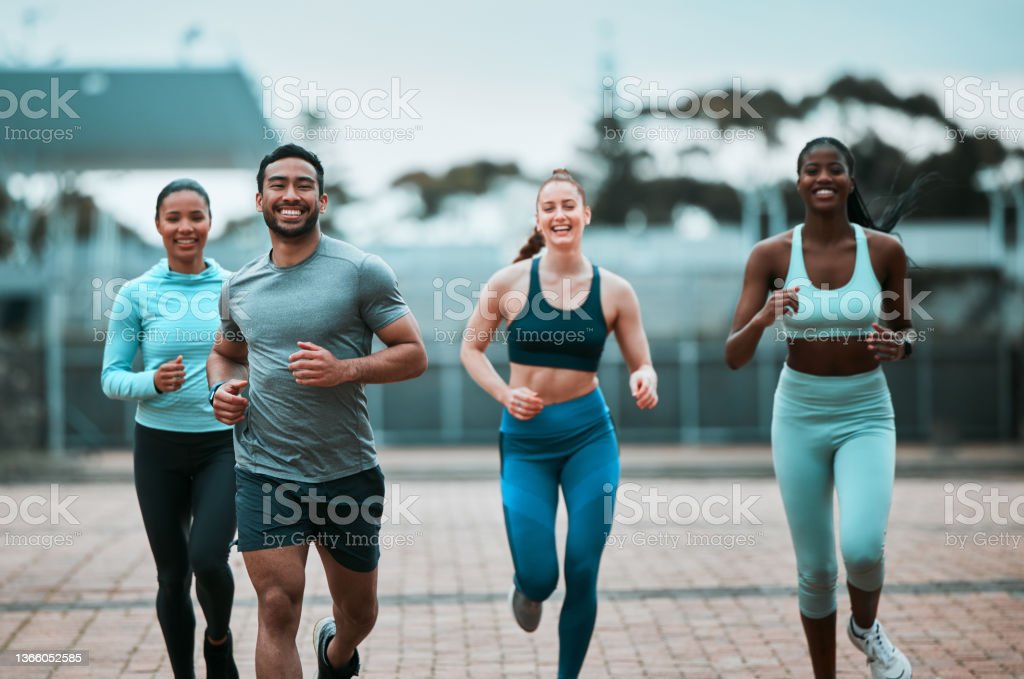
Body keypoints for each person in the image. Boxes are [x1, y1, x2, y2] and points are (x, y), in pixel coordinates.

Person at [207, 143, 427, 679]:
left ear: (321, 200)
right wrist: (220, 392)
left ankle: (338, 651)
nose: (291, 194)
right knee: (277, 606)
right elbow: (225, 353)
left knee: (358, 613)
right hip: (265, 472)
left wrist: (345, 370)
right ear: (260, 199)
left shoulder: (361, 271)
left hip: (346, 474)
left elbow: (413, 354)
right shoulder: (238, 286)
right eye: (278, 184)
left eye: (303, 185)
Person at [725, 137, 922, 679]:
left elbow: (906, 335)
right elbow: (733, 355)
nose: (823, 178)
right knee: (815, 570)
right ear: (799, 183)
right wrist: (765, 316)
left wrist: (898, 346)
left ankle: (867, 630)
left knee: (861, 549)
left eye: (835, 169)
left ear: (850, 182)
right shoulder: (768, 256)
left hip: (865, 413)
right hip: (799, 415)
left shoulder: (884, 252)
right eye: (812, 170)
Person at [460, 169, 658, 679]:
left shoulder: (616, 291)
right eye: (549, 207)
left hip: (590, 437)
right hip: (526, 443)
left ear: (585, 214)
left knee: (583, 567)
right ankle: (526, 588)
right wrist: (505, 393)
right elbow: (470, 348)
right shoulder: (509, 283)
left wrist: (646, 378)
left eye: (569, 205)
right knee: (542, 576)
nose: (560, 214)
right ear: (538, 219)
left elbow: (643, 361)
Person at [100, 179, 239, 679]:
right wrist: (151, 381)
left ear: (209, 221)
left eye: (196, 216)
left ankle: (218, 641)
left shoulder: (234, 288)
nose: (186, 227)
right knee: (172, 574)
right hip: (157, 447)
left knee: (207, 558)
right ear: (158, 225)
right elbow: (110, 377)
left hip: (222, 446)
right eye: (174, 217)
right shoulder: (136, 295)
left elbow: (256, 361)